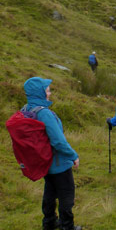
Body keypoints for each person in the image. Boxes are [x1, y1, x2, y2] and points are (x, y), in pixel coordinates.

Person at [23, 77, 81, 230]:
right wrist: (73, 156)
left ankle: (49, 222)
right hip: (58, 163)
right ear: (40, 93)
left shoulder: (26, 109)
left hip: (44, 162)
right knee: (66, 194)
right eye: (47, 90)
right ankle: (67, 225)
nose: (49, 93)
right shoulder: (44, 114)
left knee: (50, 191)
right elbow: (58, 141)